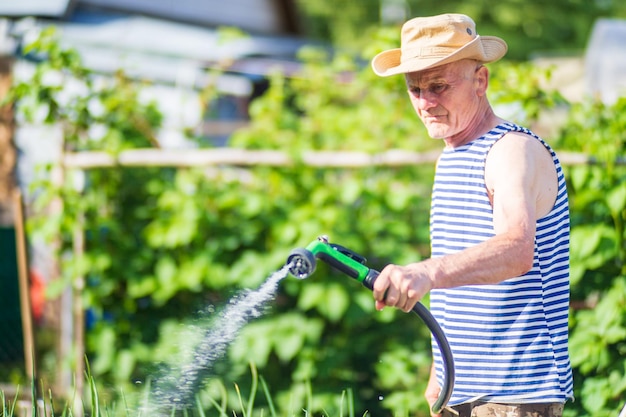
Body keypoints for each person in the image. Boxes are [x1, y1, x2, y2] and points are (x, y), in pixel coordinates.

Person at [370, 13, 573, 417]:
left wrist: (426, 272)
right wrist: (439, 372)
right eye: (415, 89)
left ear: (480, 81)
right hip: (459, 389)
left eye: (439, 86)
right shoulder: (452, 155)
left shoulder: (511, 150)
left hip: (513, 393)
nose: (426, 102)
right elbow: (462, 273)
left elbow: (516, 249)